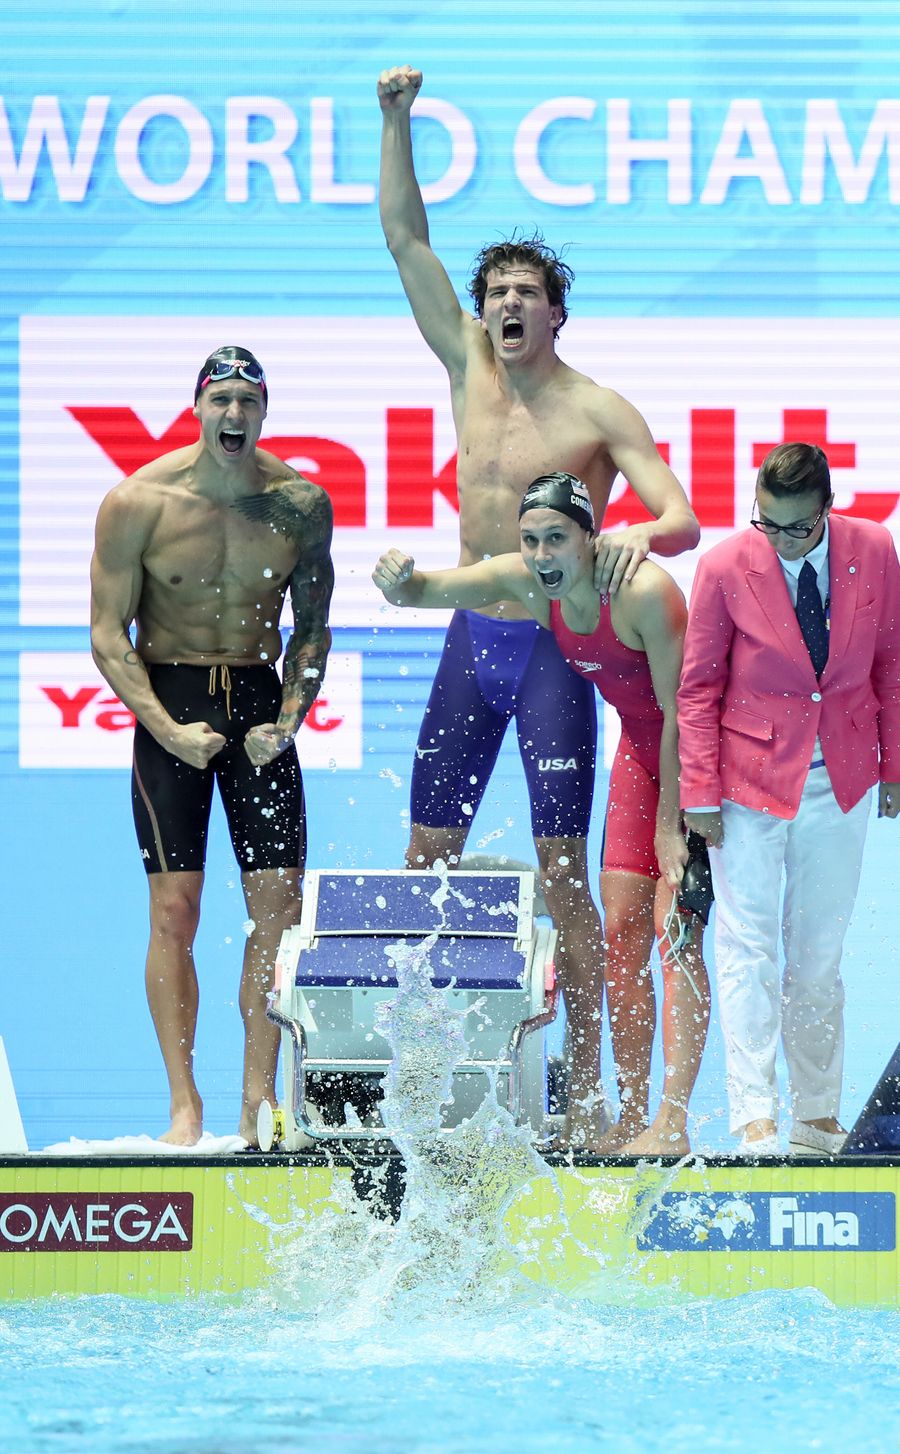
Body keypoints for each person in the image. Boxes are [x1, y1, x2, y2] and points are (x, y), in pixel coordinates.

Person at [377, 65, 700, 1149]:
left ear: (556, 312)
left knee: (566, 877)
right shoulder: (466, 363)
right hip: (473, 641)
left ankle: (589, 1091)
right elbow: (405, 240)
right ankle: (415, 1084)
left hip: (556, 651)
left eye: (526, 291)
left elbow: (681, 517)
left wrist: (629, 538)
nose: (507, 304)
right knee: (425, 857)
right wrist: (395, 121)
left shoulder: (595, 408)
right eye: (497, 291)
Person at [373, 472, 710, 1155]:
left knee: (675, 933)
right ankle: (631, 1118)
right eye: (530, 540)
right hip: (639, 756)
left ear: (591, 538)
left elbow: (685, 712)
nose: (542, 554)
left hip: (700, 762)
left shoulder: (644, 592)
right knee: (622, 932)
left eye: (556, 538)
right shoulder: (530, 584)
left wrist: (672, 823)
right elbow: (428, 591)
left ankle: (673, 1123)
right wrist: (397, 580)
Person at [90, 346, 334, 1147]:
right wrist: (165, 729)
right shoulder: (139, 502)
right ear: (197, 407)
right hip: (172, 705)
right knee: (174, 909)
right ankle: (183, 1105)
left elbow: (311, 630)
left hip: (259, 707)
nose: (235, 414)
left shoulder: (300, 505)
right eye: (221, 399)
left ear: (264, 412)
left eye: (248, 402)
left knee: (279, 911)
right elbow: (107, 635)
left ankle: (256, 1100)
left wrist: (289, 721)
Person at [678, 443, 900, 1156]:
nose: (780, 540)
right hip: (747, 781)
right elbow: (698, 689)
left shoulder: (875, 549)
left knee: (817, 954)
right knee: (747, 947)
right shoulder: (723, 566)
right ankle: (754, 1113)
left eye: (797, 528)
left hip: (841, 774)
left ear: (827, 509)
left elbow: (891, 662)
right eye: (767, 523)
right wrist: (698, 792)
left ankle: (815, 1114)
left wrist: (893, 765)